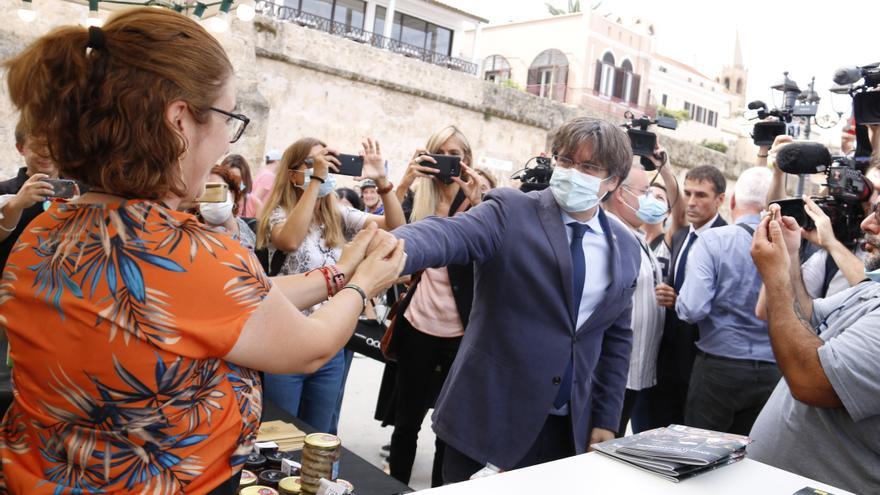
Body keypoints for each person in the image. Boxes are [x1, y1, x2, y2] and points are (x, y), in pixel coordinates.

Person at [0, 10, 404, 494]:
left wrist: (340, 271)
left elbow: (236, 300)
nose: (226, 142)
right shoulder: (187, 252)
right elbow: (311, 347)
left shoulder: (44, 229)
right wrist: (364, 285)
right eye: (229, 119)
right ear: (179, 122)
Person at [388, 117, 641, 483]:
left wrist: (606, 418)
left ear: (613, 181)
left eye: (588, 167)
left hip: (568, 433)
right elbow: (448, 235)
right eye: (566, 160)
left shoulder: (626, 247)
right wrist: (390, 248)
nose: (573, 173)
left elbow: (616, 338)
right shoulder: (511, 211)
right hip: (491, 420)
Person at [255, 137, 405, 434]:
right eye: (312, 164)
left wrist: (382, 181)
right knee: (280, 433)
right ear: (292, 173)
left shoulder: (336, 214)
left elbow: (395, 226)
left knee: (318, 433)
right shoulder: (278, 213)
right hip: (285, 340)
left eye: (325, 164)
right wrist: (316, 181)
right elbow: (290, 240)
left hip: (328, 341)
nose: (321, 170)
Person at [747, 201, 880, 495]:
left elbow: (811, 382)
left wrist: (776, 277)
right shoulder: (873, 288)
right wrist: (790, 256)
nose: (866, 224)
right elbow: (805, 317)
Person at [386, 125, 484, 487]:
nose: (447, 161)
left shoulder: (478, 204)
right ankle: (395, 487)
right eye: (440, 153)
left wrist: (479, 202)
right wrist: (403, 182)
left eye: (454, 154)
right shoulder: (418, 199)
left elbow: (496, 251)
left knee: (448, 427)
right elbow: (389, 239)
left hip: (460, 331)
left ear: (467, 160)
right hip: (419, 325)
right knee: (406, 423)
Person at [675, 166, 781, 434]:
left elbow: (692, 308)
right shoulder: (790, 245)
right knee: (753, 453)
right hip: (773, 368)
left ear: (731, 200)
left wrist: (677, 301)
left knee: (700, 449)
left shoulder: (713, 241)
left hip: (718, 367)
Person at [647, 165, 727, 430]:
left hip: (702, 361)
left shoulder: (727, 239)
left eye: (701, 195)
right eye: (688, 193)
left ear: (720, 199)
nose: (691, 202)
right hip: (666, 360)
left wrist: (680, 300)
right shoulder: (681, 235)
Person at [602, 163, 666, 436]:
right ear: (621, 194)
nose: (650, 200)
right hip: (615, 374)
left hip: (633, 372)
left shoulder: (634, 235)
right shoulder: (610, 235)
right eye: (644, 192)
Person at [200, 163, 257, 250]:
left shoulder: (254, 229)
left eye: (218, 190)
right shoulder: (191, 238)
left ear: (232, 195)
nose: (213, 198)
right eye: (205, 193)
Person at [221, 153, 263, 218]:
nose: (231, 183)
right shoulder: (215, 202)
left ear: (244, 180)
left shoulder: (255, 204)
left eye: (236, 179)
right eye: (227, 178)